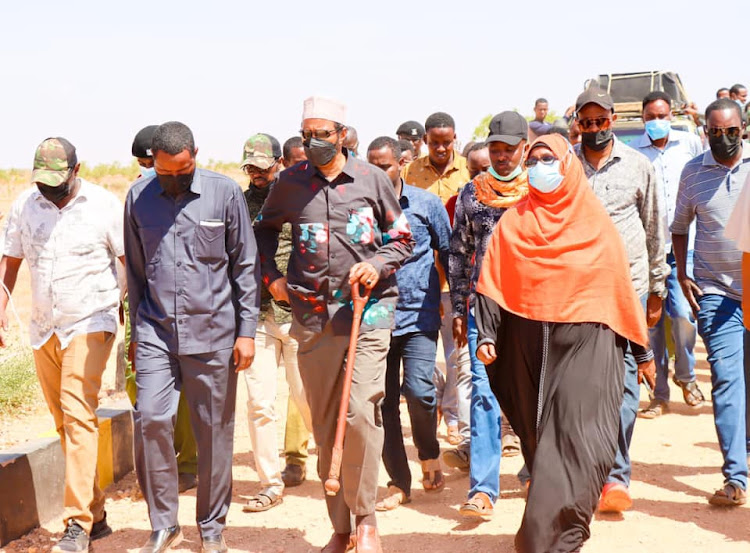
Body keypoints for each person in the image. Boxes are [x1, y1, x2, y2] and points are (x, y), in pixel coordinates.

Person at [474, 134, 651, 553]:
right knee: (544, 442)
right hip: (532, 351)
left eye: (548, 158)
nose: (540, 166)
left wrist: (642, 351)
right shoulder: (514, 222)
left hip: (590, 347)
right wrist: (486, 333)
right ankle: (547, 530)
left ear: (567, 164)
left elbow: (619, 289)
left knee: (580, 439)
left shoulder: (595, 224)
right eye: (533, 159)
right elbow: (493, 282)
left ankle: (561, 534)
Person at [255, 96, 414, 553]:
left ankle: (366, 519)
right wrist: (273, 278)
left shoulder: (372, 179)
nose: (313, 142)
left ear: (342, 134)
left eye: (322, 134)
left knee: (361, 412)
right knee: (325, 421)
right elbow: (263, 230)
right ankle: (340, 526)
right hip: (311, 315)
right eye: (306, 134)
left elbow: (402, 238)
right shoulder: (289, 183)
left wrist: (378, 264)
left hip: (369, 311)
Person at [124, 121, 260, 553]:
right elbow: (135, 271)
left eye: (183, 170)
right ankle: (164, 523)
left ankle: (212, 527)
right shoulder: (138, 198)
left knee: (214, 433)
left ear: (195, 154)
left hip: (215, 333)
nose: (176, 178)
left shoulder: (225, 193)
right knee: (150, 419)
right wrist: (134, 332)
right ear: (154, 164)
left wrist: (247, 332)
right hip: (155, 331)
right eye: (166, 172)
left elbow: (245, 266)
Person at [0, 137, 123, 552]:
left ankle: (77, 526)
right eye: (42, 182)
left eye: (57, 181)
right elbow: (10, 262)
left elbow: (128, 265)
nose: (48, 189)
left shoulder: (104, 206)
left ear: (76, 168)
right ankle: (97, 512)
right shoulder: (24, 205)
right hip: (44, 327)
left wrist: (128, 314)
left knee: (77, 413)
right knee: (64, 422)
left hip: (91, 320)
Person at [574, 88, 668, 513]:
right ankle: (588, 472)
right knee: (585, 391)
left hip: (628, 293)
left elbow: (654, 230)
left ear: (613, 120)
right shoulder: (564, 169)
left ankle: (615, 478)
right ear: (577, 123)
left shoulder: (637, 165)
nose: (594, 129)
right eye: (586, 123)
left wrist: (656, 290)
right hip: (578, 297)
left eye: (601, 121)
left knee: (626, 390)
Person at [447, 112, 529, 519]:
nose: (501, 156)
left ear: (524, 149)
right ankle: (482, 490)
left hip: (534, 308)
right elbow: (459, 255)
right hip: (485, 308)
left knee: (533, 393)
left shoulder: (540, 192)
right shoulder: (472, 194)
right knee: (483, 393)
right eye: (495, 149)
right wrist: (459, 307)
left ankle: (535, 472)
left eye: (509, 149)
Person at [366, 137, 451, 511]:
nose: (376, 172)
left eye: (383, 164)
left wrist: (456, 303)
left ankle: (429, 454)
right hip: (376, 317)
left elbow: (447, 252)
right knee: (382, 404)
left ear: (401, 163)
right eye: (370, 164)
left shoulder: (426, 204)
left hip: (419, 313)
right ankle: (398, 482)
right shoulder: (360, 207)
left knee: (419, 391)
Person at [673, 98, 750, 506]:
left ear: (744, 129)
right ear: (705, 131)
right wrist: (684, 275)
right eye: (715, 132)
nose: (723, 139)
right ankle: (735, 477)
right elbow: (680, 226)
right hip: (716, 292)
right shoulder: (693, 172)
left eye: (731, 131)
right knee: (726, 378)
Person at [239, 133, 313, 511]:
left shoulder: (299, 197)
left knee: (307, 399)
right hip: (256, 315)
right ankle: (270, 482)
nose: (255, 173)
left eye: (261, 166)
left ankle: (341, 468)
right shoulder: (239, 203)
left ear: (279, 164)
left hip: (298, 316)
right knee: (259, 404)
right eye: (249, 166)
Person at [125, 125, 199, 493]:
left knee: (186, 397)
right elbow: (133, 264)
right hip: (148, 313)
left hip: (196, 317)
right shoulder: (136, 196)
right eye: (145, 163)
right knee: (145, 399)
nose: (151, 171)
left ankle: (186, 462)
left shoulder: (205, 193)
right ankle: (157, 475)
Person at [629, 92, 706, 418]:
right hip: (648, 251)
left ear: (670, 115)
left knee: (684, 316)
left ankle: (686, 376)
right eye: (651, 116)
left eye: (662, 115)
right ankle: (659, 395)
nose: (657, 122)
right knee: (651, 325)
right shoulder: (633, 151)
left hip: (683, 248)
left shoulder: (689, 143)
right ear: (643, 117)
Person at [403, 111, 472, 452]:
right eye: (434, 143)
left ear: (454, 138)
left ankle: (454, 419)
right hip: (423, 279)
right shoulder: (410, 172)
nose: (441, 148)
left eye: (446, 142)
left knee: (458, 355)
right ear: (425, 141)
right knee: (425, 359)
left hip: (457, 278)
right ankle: (437, 402)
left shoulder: (469, 169)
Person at [277, 135, 313, 487]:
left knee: (300, 386)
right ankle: (295, 458)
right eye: (299, 160)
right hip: (272, 307)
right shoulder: (276, 199)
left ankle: (301, 454)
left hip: (312, 307)